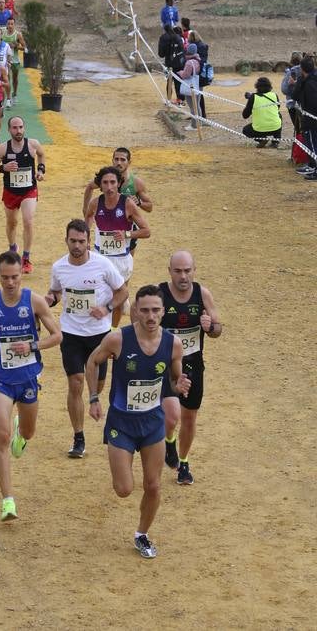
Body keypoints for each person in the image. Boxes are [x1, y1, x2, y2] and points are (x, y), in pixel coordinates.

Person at [86, 285, 191, 558]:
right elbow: (92, 361)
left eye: (156, 310)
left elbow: (173, 381)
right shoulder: (118, 339)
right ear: (135, 311)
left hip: (152, 423)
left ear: (163, 311)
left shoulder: (173, 344)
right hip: (121, 423)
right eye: (144, 310)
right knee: (124, 489)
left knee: (153, 485)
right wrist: (94, 397)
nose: (151, 316)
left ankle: (142, 534)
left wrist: (179, 385)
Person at [0, 252, 61, 521]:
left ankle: (23, 431)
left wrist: (32, 345)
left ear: (22, 275)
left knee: (27, 432)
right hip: (1, 379)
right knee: (2, 436)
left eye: (15, 277)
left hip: (29, 378)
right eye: (5, 277)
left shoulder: (34, 301)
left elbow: (57, 336)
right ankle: (7, 500)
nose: (10, 282)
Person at [46, 219, 129, 459]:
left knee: (99, 385)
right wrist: (47, 300)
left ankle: (94, 399)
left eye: (82, 241)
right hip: (71, 333)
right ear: (66, 241)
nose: (77, 246)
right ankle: (78, 437)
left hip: (99, 335)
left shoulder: (102, 265)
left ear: (88, 242)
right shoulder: (59, 267)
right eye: (73, 241)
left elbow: (123, 290)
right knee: (76, 382)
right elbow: (56, 292)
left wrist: (107, 307)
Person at [154, 252, 221, 483]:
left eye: (187, 270)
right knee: (170, 416)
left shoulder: (202, 294)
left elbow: (217, 329)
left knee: (189, 417)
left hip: (193, 364)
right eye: (178, 271)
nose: (183, 276)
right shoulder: (159, 294)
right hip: (165, 366)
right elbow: (142, 325)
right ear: (169, 270)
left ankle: (184, 463)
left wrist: (210, 326)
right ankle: (169, 439)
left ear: (194, 270)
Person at [0, 116, 45, 274]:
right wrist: (3, 168)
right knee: (12, 223)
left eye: (20, 127)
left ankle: (26, 258)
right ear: (9, 130)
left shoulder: (33, 144)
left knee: (28, 221)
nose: (18, 131)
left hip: (29, 190)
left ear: (24, 128)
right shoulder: (3, 148)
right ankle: (13, 247)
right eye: (14, 128)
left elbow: (41, 154)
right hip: (10, 192)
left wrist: (40, 170)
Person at [85, 165, 150, 289]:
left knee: (120, 302)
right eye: (105, 182)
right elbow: (88, 217)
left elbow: (146, 231)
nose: (109, 187)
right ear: (100, 185)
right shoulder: (95, 203)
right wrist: (87, 237)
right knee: (100, 297)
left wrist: (126, 234)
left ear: (119, 183)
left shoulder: (128, 204)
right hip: (100, 258)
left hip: (121, 259)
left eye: (112, 182)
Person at [83, 147, 153, 218]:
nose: (119, 163)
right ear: (112, 160)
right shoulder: (106, 178)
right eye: (116, 159)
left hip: (129, 225)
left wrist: (139, 203)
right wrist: (85, 210)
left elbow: (149, 207)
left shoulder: (136, 183)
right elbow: (90, 187)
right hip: (108, 222)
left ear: (129, 162)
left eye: (123, 160)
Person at [292, 55, 317, 179]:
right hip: (309, 118)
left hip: (312, 119)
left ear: (302, 69)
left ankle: (315, 169)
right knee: (310, 144)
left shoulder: (310, 84)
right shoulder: (306, 81)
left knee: (312, 144)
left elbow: (312, 102)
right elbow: (295, 95)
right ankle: (312, 165)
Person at [242, 76, 282, 148]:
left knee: (245, 130)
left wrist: (250, 102)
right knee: (279, 115)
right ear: (270, 86)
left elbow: (245, 115)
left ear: (257, 87)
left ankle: (261, 139)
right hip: (275, 128)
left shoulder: (253, 97)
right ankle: (275, 141)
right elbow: (277, 108)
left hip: (259, 130)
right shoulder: (275, 95)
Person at [177, 42, 202, 131]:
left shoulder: (189, 63)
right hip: (197, 84)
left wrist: (179, 72)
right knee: (197, 105)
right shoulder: (198, 59)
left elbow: (185, 75)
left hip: (190, 86)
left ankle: (194, 125)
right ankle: (199, 123)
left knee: (192, 106)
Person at [158, 23, 185, 101]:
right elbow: (182, 50)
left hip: (169, 63)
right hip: (180, 63)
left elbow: (161, 54)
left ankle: (169, 99)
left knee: (169, 82)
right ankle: (180, 100)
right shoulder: (178, 37)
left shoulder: (163, 37)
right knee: (179, 82)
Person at [2, 17, 25, 104]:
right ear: (6, 24)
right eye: (9, 24)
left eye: (12, 24)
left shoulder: (18, 35)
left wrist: (16, 46)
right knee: (7, 79)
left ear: (14, 25)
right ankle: (8, 98)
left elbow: (24, 48)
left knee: (15, 79)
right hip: (5, 60)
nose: (10, 26)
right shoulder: (3, 34)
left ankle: (14, 94)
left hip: (15, 60)